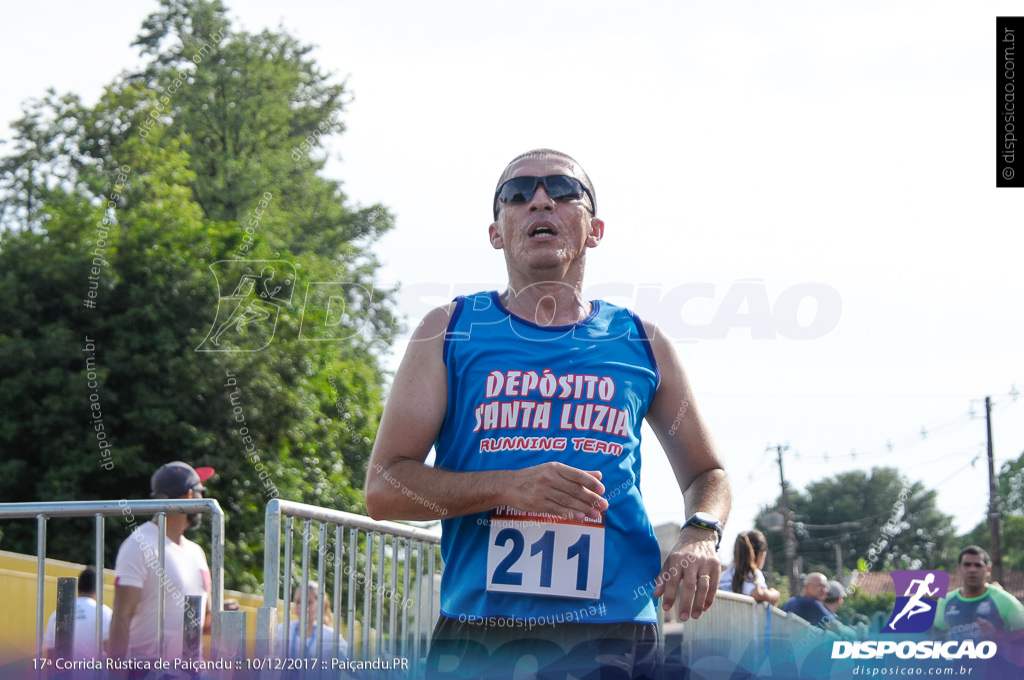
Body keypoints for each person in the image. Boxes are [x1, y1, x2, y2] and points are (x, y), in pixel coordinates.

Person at [365, 149, 731, 677]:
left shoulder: (642, 342)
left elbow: (708, 473)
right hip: (483, 632)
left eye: (562, 190)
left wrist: (700, 531)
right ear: (496, 231)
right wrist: (507, 486)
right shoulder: (449, 330)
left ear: (595, 228)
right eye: (517, 194)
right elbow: (384, 489)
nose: (540, 200)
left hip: (617, 631)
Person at [108, 461, 215, 663]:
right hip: (148, 670)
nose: (204, 499)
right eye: (201, 491)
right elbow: (121, 616)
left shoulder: (197, 552)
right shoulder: (139, 544)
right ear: (189, 496)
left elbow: (205, 620)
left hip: (191, 671)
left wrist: (228, 617)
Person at [933, 545, 1024, 642]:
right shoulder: (945, 601)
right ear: (959, 569)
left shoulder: (1003, 599)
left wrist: (997, 634)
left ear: (988, 570)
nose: (972, 570)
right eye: (967, 565)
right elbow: (936, 638)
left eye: (978, 565)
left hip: (996, 657)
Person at [43, 566, 112, 659]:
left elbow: (50, 656)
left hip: (63, 672)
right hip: (93, 672)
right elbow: (113, 652)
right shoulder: (104, 613)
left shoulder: (58, 613)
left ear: (78, 586)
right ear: (100, 588)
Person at [275, 581, 349, 660]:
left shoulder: (331, 637)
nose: (302, 606)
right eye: (298, 602)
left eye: (308, 602)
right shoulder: (281, 631)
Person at [718, 530, 780, 604]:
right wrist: (775, 595)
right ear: (761, 557)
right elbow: (758, 594)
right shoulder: (753, 574)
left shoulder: (722, 576)